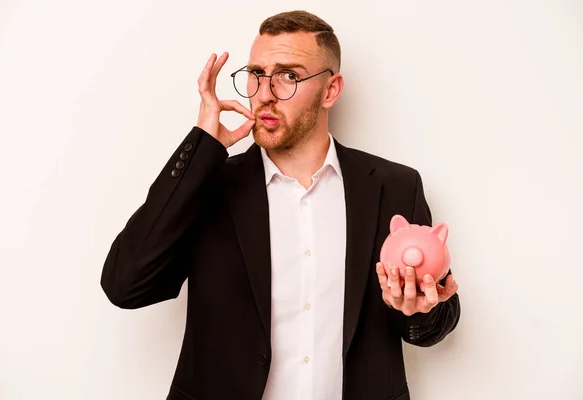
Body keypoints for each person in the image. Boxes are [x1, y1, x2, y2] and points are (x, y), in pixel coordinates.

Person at [100, 10, 460, 400]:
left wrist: (418, 310)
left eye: (288, 75)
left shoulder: (394, 187)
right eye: (256, 74)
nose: (265, 93)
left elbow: (436, 319)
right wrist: (202, 145)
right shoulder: (209, 185)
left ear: (331, 90)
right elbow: (125, 286)